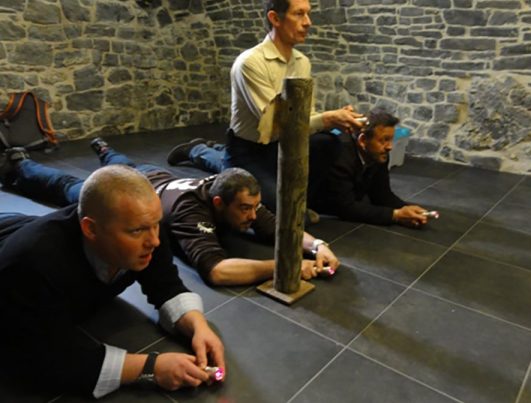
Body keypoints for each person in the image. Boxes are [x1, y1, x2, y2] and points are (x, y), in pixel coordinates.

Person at [0, 164, 225, 398]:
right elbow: (48, 360)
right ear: (91, 229)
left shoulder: (146, 230)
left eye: (156, 224)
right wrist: (151, 367)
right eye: (136, 231)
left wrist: (198, 326)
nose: (154, 241)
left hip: (22, 226)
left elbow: (165, 283)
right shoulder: (30, 268)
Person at [0, 138, 340, 286]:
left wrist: (316, 245)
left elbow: (277, 226)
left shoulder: (232, 191)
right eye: (245, 210)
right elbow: (217, 271)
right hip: (133, 196)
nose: (253, 216)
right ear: (218, 205)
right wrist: (282, 267)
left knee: (123, 163)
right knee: (68, 186)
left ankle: (105, 149)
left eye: (254, 207)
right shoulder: (191, 212)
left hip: (154, 176)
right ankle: (21, 165)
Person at [168, 0, 365, 212]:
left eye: (308, 14)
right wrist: (327, 119)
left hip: (283, 144)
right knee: (272, 205)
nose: (308, 22)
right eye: (299, 14)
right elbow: (273, 125)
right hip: (249, 150)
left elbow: (305, 116)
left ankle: (297, 194)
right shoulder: (250, 63)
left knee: (329, 142)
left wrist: (335, 120)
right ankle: (198, 150)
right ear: (275, 18)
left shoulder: (302, 62)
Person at [313, 108, 430, 227]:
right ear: (363, 140)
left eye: (391, 140)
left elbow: (382, 194)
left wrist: (406, 208)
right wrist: (396, 215)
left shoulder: (378, 155)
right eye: (384, 140)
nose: (390, 147)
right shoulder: (342, 158)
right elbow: (346, 208)